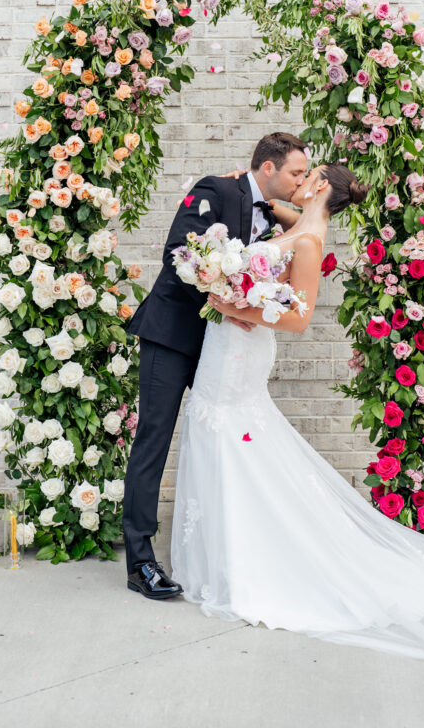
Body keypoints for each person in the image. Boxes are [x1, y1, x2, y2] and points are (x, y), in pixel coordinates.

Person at [169, 162, 424, 667]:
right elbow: (268, 208)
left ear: (319, 186)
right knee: (224, 434)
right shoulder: (297, 221)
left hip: (239, 345)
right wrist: (241, 199)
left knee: (229, 431)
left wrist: (233, 306)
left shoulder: (309, 239)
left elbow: (298, 318)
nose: (298, 180)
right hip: (229, 343)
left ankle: (247, 564)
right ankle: (226, 552)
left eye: (308, 174)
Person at [122, 132, 309, 599]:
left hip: (218, 350)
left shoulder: (272, 212)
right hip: (170, 337)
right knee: (154, 440)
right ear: (268, 167)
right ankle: (139, 562)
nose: (299, 180)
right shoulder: (215, 189)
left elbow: (306, 224)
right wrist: (228, 302)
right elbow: (178, 255)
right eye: (294, 172)